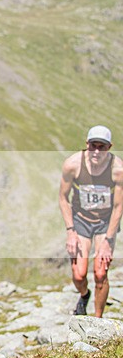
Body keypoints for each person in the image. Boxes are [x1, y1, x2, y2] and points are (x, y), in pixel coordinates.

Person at [59, 125, 123, 317]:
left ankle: (97, 320)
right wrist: (70, 231)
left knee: (101, 272)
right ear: (86, 144)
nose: (96, 151)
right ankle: (84, 295)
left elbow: (119, 207)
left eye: (101, 147)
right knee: (79, 274)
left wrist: (108, 241)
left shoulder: (118, 170)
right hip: (81, 220)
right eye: (93, 145)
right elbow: (63, 198)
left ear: (109, 147)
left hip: (105, 222)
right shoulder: (72, 165)